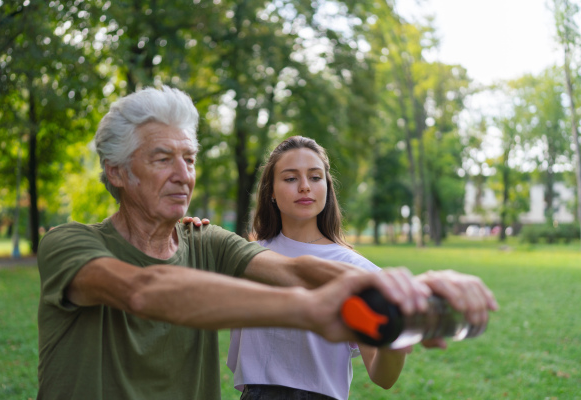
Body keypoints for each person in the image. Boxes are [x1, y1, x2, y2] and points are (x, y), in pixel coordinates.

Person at [36, 86, 496, 400]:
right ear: (116, 171)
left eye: (190, 159)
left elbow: (296, 270)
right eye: (163, 159)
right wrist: (309, 310)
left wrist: (407, 287)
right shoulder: (68, 244)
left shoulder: (206, 242)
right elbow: (144, 292)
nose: (184, 175)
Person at [225, 136, 497, 400]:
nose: (305, 186)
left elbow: (383, 377)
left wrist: (397, 334)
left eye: (315, 177)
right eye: (291, 178)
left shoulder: (357, 270)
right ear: (270, 190)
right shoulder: (247, 256)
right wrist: (185, 228)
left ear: (327, 188)